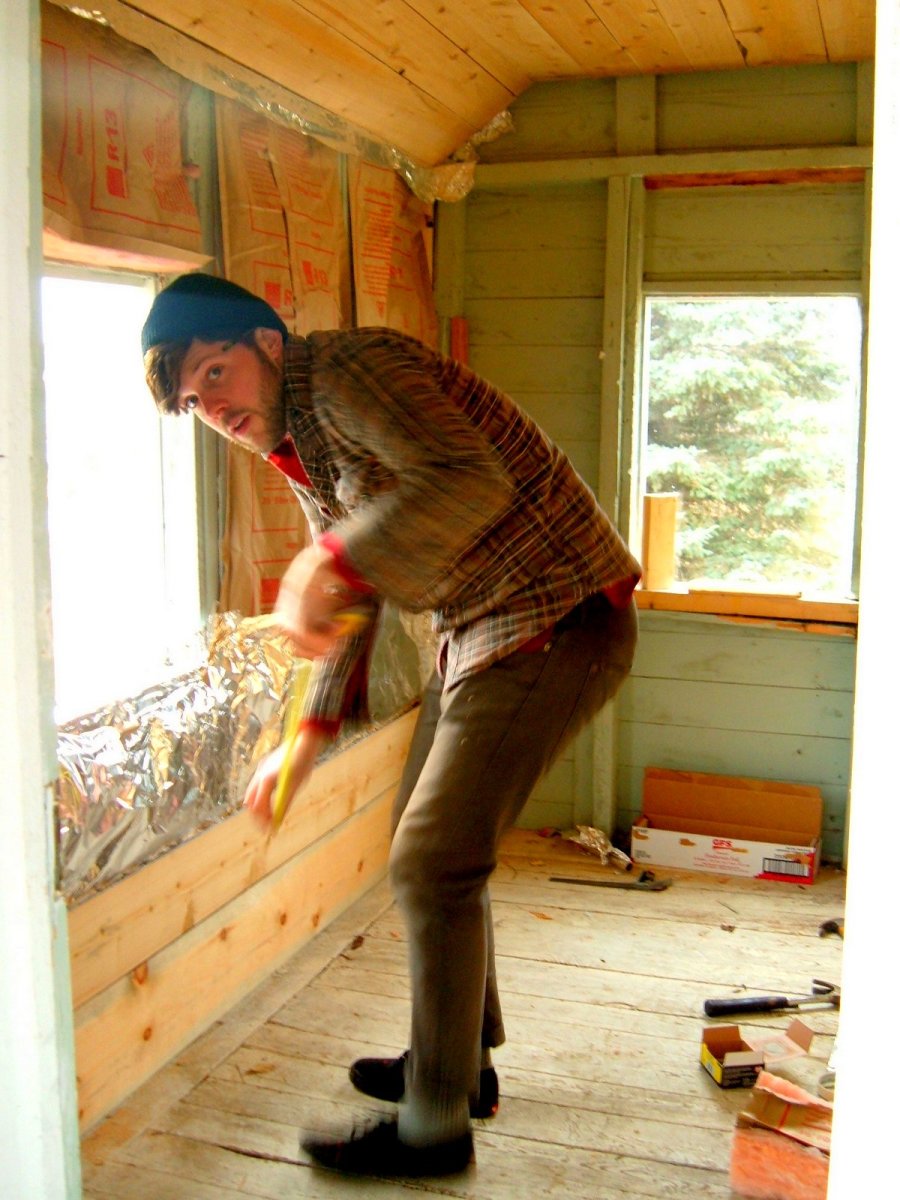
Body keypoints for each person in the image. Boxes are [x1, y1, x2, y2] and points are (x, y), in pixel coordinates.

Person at [141, 272, 641, 1178]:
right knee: (438, 838)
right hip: (488, 631)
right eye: (190, 397)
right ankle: (462, 1063)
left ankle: (435, 1127)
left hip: (556, 614)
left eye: (215, 373)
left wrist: (322, 559)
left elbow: (467, 478)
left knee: (433, 857)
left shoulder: (347, 371)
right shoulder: (299, 438)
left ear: (265, 343)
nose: (209, 406)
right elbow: (354, 597)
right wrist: (303, 741)